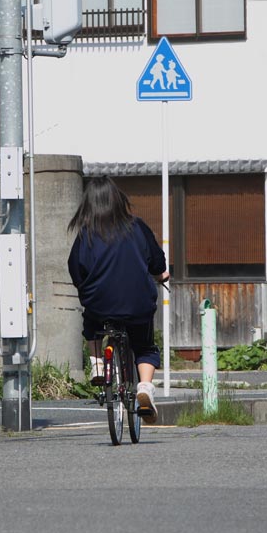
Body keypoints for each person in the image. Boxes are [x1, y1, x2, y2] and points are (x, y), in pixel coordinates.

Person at [67, 176, 169, 423]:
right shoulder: (137, 227)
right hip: (137, 304)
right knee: (144, 345)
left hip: (100, 305)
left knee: (91, 325)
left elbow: (74, 268)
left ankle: (99, 365)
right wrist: (162, 274)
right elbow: (157, 262)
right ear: (118, 200)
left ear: (88, 204)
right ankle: (144, 386)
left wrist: (86, 289)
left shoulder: (86, 235)